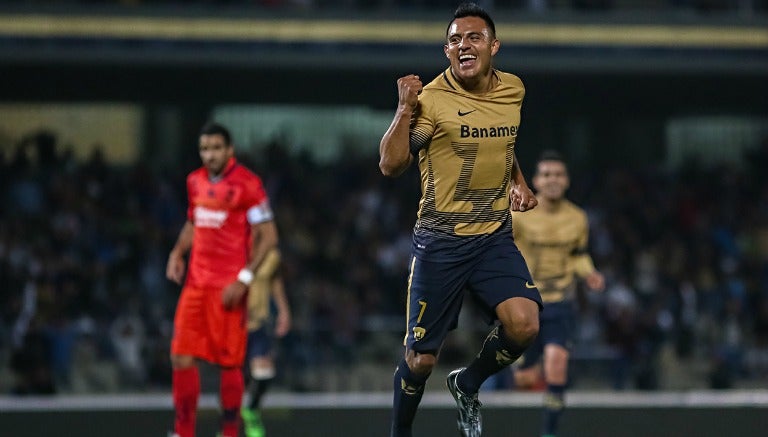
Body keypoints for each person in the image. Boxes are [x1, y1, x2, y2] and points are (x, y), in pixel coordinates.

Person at [378, 3, 543, 436]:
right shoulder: (431, 101)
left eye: (472, 38)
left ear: (493, 45)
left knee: (524, 325)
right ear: (446, 50)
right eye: (454, 40)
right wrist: (402, 108)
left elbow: (501, 142)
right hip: (441, 240)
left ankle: (467, 383)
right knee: (420, 361)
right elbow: (391, 165)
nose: (463, 46)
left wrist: (518, 181)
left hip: (492, 234)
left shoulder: (514, 90)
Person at [166, 122, 278, 437]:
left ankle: (229, 430)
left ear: (229, 150)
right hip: (195, 285)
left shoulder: (248, 185)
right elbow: (193, 221)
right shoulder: (195, 182)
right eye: (205, 149)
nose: (210, 155)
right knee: (180, 356)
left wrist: (244, 278)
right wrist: (177, 252)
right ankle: (183, 431)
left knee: (229, 364)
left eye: (216, 148)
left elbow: (269, 236)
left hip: (228, 288)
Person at [510, 150, 605, 437]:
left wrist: (589, 273)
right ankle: (530, 367)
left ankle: (549, 432)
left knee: (557, 365)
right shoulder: (519, 214)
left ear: (567, 181)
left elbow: (578, 254)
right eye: (547, 174)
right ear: (536, 180)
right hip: (526, 303)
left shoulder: (578, 218)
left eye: (558, 175)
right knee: (526, 380)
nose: (553, 180)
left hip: (561, 301)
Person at [241, 248, 292, 437]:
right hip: (231, 324)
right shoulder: (229, 246)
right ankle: (227, 426)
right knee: (231, 379)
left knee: (264, 371)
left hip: (258, 324)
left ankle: (251, 410)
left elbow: (275, 281)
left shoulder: (270, 255)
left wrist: (283, 310)